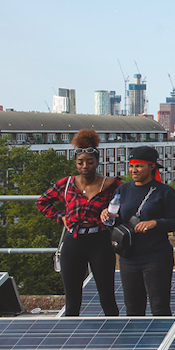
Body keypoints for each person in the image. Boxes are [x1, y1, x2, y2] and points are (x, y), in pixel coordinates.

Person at [36, 129, 120, 317]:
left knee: (107, 296)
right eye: (80, 162)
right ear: (75, 163)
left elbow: (125, 205)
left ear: (97, 162)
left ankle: (116, 335)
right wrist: (61, 217)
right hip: (73, 241)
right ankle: (69, 337)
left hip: (100, 241)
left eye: (90, 162)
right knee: (72, 299)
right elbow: (42, 202)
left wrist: (111, 213)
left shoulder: (111, 184)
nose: (85, 166)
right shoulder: (66, 184)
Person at [105, 146, 175, 316]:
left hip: (156, 258)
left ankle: (161, 339)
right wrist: (107, 215)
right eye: (131, 166)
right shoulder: (122, 190)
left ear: (152, 166)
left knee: (159, 307)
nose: (134, 170)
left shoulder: (164, 192)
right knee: (133, 309)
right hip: (128, 258)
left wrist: (155, 223)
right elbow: (115, 221)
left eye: (139, 166)